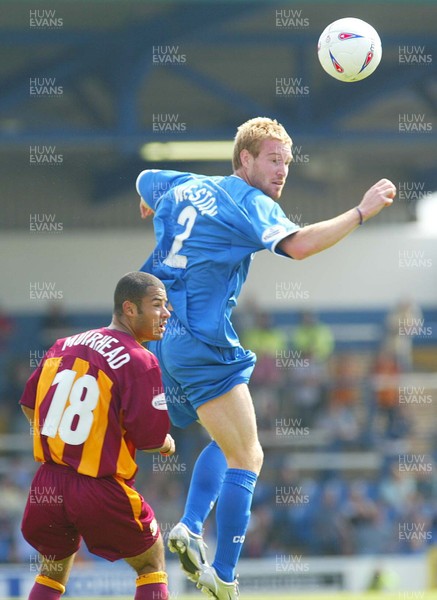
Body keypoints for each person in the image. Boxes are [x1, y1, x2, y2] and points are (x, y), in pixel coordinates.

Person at [136, 117, 396, 599]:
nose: (282, 171)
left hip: (160, 339)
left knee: (227, 440)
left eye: (287, 163)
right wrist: (360, 211)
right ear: (245, 159)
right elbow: (298, 246)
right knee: (249, 454)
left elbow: (145, 181)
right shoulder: (248, 202)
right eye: (273, 160)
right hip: (200, 338)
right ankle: (225, 577)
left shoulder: (185, 183)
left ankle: (191, 526)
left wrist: (150, 202)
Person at [19, 272, 174, 600]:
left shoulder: (64, 345)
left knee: (52, 570)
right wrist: (166, 442)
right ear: (130, 309)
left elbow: (30, 407)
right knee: (151, 563)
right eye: (157, 305)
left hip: (48, 484)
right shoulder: (139, 359)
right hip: (98, 486)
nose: (166, 313)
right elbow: (150, 440)